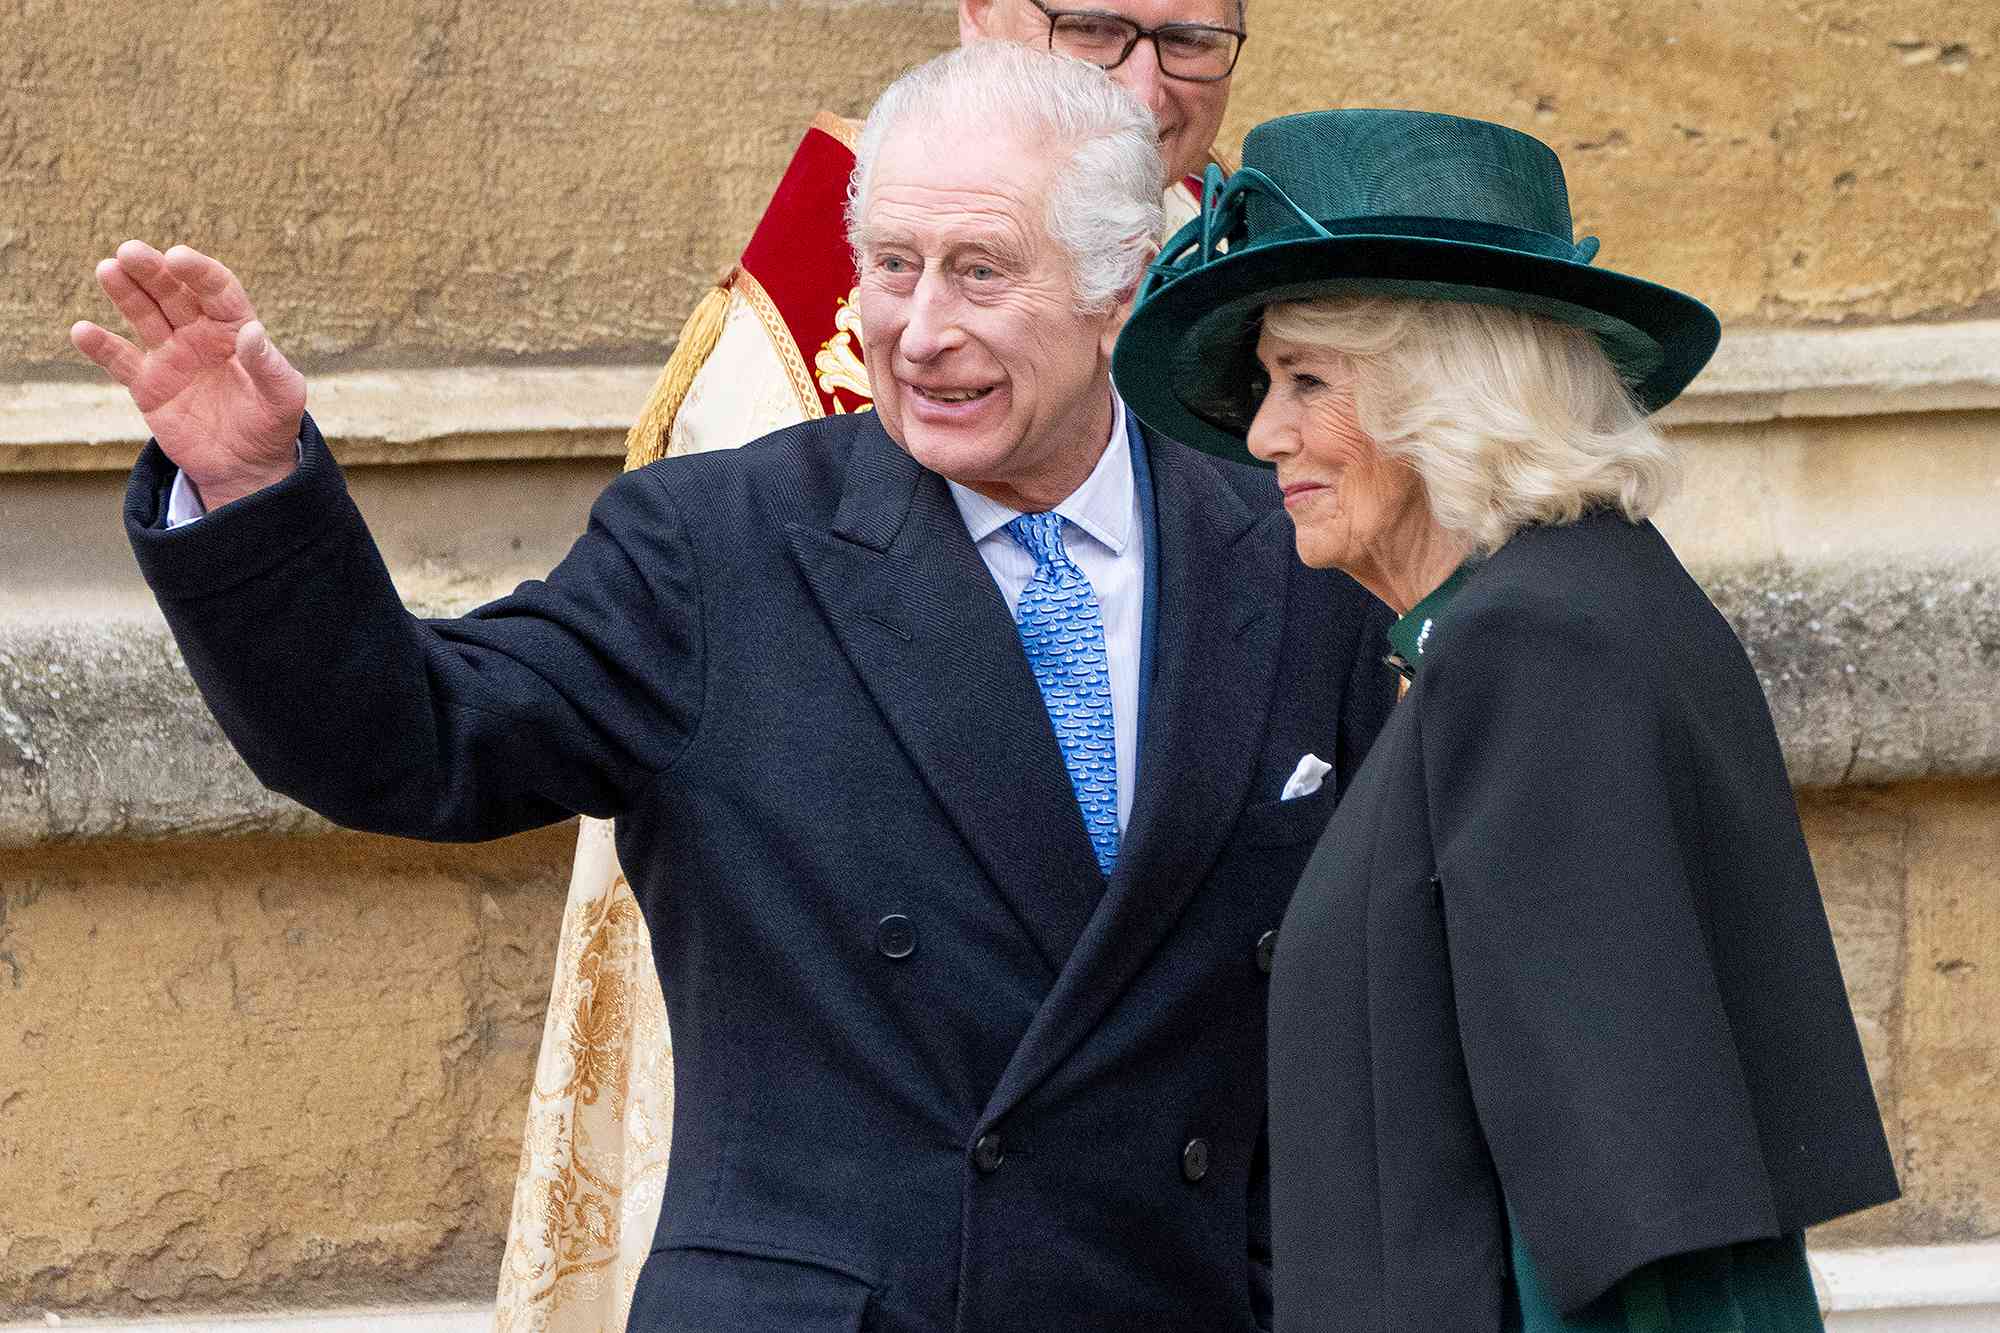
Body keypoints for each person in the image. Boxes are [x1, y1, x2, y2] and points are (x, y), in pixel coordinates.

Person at [71, 46, 1396, 1333]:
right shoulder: (717, 550)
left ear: (1120, 287)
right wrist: (253, 498)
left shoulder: (1292, 557)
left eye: (981, 273)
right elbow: (412, 738)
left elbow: (1379, 1014)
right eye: (891, 267)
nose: (920, 332)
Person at [507, 7, 1250, 1323]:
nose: (1146, 83)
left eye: (1191, 38)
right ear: (986, 18)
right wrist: (254, 510)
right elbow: (456, 725)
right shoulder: (791, 350)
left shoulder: (1269, 315)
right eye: (1097, 27)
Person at [1111, 108, 1900, 1331]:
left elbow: (1621, 1211)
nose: (1262, 435)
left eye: (1305, 382)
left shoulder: (1535, 647)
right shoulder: (1548, 615)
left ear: (1450, 392)